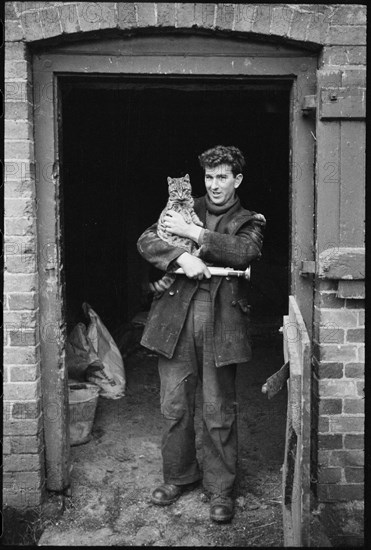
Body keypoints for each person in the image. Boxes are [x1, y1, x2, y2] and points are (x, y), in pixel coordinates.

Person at [137, 145, 266, 522]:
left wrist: (194, 234)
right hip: (175, 321)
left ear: (236, 179)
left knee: (218, 409)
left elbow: (244, 252)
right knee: (174, 405)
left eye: (222, 177)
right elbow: (147, 240)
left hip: (220, 324)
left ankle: (221, 489)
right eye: (209, 177)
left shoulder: (249, 219)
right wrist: (181, 258)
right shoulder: (180, 205)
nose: (213, 185)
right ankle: (178, 477)